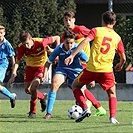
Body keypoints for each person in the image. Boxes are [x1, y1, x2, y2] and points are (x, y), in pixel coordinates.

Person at [65, 11, 126, 124]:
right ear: (115, 23)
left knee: (75, 85)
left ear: (103, 21)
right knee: (112, 94)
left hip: (91, 68)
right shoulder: (117, 37)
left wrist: (72, 55)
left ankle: (85, 108)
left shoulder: (96, 30)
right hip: (107, 70)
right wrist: (120, 65)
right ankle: (112, 117)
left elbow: (84, 42)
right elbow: (123, 57)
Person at [42, 30, 106, 119]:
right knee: (54, 84)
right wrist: (44, 74)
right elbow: (48, 62)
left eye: (71, 43)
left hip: (76, 71)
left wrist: (91, 79)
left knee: (82, 90)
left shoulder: (77, 49)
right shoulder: (58, 49)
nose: (69, 46)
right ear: (63, 41)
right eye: (67, 43)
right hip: (62, 70)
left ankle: (97, 108)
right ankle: (48, 113)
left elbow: (88, 62)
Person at [8, 30, 60, 118]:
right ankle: (42, 96)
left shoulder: (41, 42)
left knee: (33, 88)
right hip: (29, 68)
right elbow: (17, 62)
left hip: (41, 67)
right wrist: (13, 73)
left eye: (27, 43)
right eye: (24, 44)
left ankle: (33, 112)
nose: (27, 46)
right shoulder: (21, 47)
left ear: (31, 39)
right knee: (27, 90)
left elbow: (57, 38)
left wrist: (56, 54)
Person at [61, 11, 95, 106]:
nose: (68, 22)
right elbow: (60, 48)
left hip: (84, 63)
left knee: (77, 84)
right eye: (66, 20)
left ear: (74, 20)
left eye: (69, 20)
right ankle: (83, 101)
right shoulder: (65, 35)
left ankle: (87, 103)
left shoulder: (80, 29)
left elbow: (94, 35)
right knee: (70, 83)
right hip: (73, 64)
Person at [0, 25, 16, 108]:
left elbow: (12, 56)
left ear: (4, 33)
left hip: (2, 65)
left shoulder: (7, 44)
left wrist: (14, 69)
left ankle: (11, 96)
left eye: (1, 33)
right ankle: (11, 96)